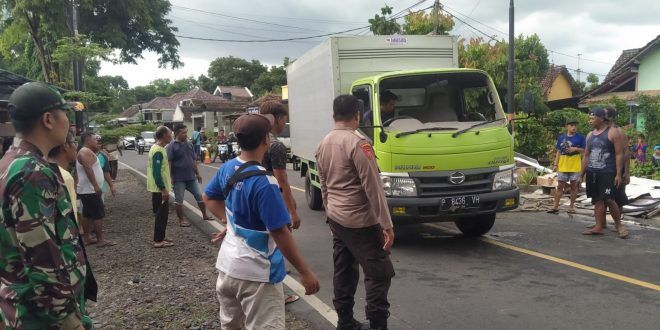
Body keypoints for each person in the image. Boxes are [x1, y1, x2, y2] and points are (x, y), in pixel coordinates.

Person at [203, 113, 320, 329]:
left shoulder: (228, 168)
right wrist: (304, 271)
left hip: (228, 268)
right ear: (266, 140)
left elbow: (209, 197)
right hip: (257, 276)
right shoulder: (265, 183)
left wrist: (228, 224)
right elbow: (279, 232)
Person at [0, 82, 89, 329]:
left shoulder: (10, 163)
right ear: (48, 119)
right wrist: (70, 322)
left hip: (23, 308)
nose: (69, 124)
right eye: (65, 114)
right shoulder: (32, 173)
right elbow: (43, 259)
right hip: (41, 317)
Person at [316, 95, 395, 330]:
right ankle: (378, 324)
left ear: (334, 116)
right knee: (379, 273)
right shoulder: (358, 143)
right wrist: (387, 225)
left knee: (344, 270)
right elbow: (374, 188)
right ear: (357, 115)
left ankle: (345, 321)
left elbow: (324, 185)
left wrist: (330, 215)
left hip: (337, 218)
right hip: (361, 221)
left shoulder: (324, 143)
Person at [47, 129, 97, 329]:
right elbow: (68, 220)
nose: (76, 148)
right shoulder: (63, 176)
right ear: (66, 146)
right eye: (74, 144)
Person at [260, 100, 303, 305]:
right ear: (277, 118)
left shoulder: (255, 140)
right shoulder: (275, 145)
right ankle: (278, 295)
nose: (284, 122)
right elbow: (282, 179)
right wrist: (292, 210)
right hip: (272, 198)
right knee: (277, 242)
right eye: (284, 118)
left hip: (255, 198)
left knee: (262, 245)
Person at [579, 107, 628, 238]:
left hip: (607, 172)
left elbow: (620, 154)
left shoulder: (613, 133)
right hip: (592, 172)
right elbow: (586, 156)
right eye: (589, 118)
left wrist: (619, 174)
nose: (590, 120)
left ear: (601, 118)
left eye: (593, 118)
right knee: (597, 200)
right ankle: (599, 226)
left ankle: (619, 226)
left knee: (609, 199)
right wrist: (581, 175)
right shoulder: (589, 135)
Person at [167, 124, 211, 226]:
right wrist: (170, 177)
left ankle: (205, 215)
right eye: (183, 133)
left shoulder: (189, 145)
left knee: (199, 196)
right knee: (179, 200)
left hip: (191, 177)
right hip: (178, 178)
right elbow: (169, 162)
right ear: (177, 133)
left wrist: (198, 174)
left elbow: (193, 161)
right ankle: (181, 220)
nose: (186, 135)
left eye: (186, 132)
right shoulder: (172, 146)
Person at [77, 132, 116, 247]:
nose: (97, 141)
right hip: (90, 190)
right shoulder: (84, 152)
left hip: (88, 190)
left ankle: (88, 237)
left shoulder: (88, 152)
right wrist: (95, 185)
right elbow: (88, 169)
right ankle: (100, 239)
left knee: (87, 214)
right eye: (95, 140)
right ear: (88, 140)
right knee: (98, 214)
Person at [549, 118, 586, 214]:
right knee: (560, 186)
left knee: (574, 186)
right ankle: (555, 206)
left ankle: (571, 206)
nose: (574, 127)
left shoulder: (581, 137)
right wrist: (555, 164)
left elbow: (585, 151)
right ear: (567, 127)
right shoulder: (561, 137)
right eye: (572, 125)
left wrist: (575, 149)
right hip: (563, 164)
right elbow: (558, 151)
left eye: (575, 125)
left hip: (575, 165)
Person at [148, 126, 175, 248]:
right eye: (170, 134)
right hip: (159, 189)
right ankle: (158, 240)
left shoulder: (159, 148)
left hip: (159, 188)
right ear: (164, 135)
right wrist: (163, 189)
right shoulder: (158, 151)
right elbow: (156, 172)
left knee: (163, 214)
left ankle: (161, 236)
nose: (171, 136)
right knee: (161, 215)